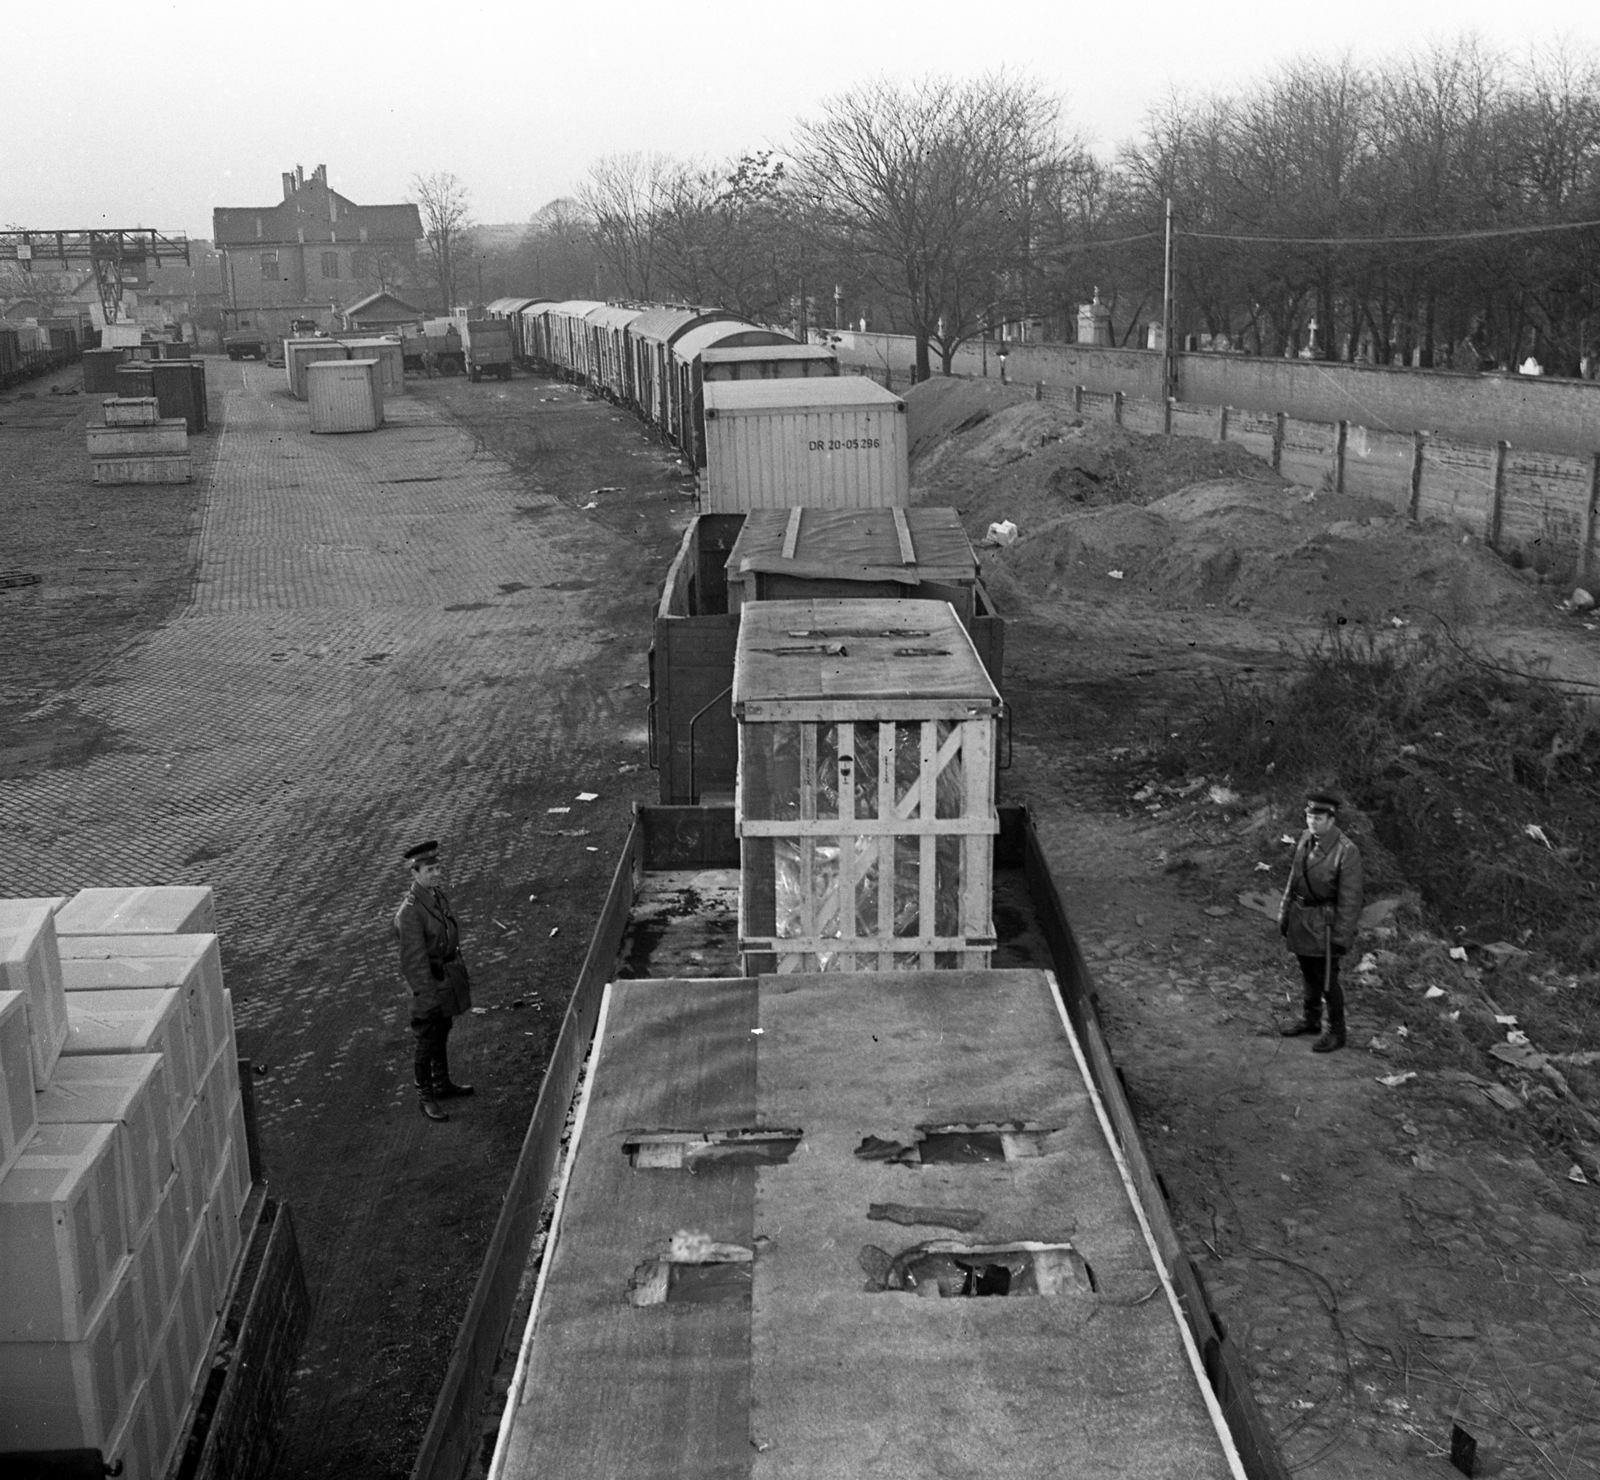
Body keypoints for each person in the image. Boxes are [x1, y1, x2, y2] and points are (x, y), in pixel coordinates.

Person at [1277, 791, 1364, 1052]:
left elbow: (1350, 900)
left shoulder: (1346, 851)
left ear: (1331, 819)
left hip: (1325, 924)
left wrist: (1341, 936)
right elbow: (1294, 879)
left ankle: (1337, 1031)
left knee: (1327, 978)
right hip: (1302, 917)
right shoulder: (1305, 838)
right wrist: (1284, 912)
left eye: (1318, 817)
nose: (1312, 821)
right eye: (1309, 816)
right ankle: (1311, 1019)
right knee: (1307, 973)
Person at [394, 840, 474, 1121]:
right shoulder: (410, 912)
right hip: (428, 986)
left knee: (442, 1030)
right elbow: (413, 963)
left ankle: (442, 1084)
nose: (436, 873)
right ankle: (424, 1096)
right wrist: (428, 999)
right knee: (427, 1041)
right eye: (430, 869)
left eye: (438, 867)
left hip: (444, 981)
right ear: (415, 873)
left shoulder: (436, 896)